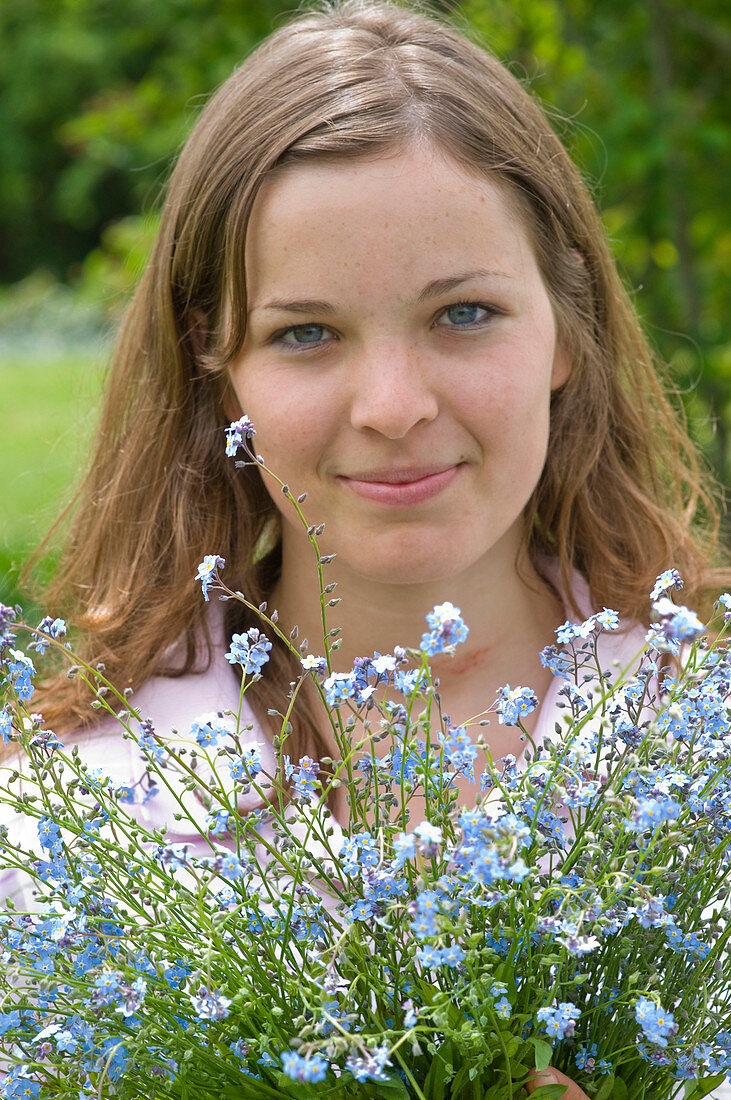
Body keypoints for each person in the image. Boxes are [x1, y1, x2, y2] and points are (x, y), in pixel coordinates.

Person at [5, 2, 728, 1095]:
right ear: (218, 360)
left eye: (464, 313)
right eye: (305, 333)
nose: (392, 405)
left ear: (565, 328)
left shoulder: (698, 751)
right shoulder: (49, 838)